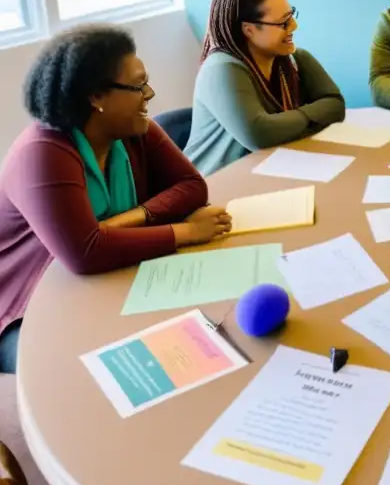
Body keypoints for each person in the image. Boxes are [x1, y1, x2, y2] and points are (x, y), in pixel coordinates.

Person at [0, 26, 229, 374]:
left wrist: (123, 222)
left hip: (104, 277)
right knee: (78, 374)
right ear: (96, 97)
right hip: (25, 308)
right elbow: (84, 253)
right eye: (138, 86)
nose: (149, 93)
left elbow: (191, 186)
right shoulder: (43, 152)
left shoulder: (135, 129)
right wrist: (186, 232)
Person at [185, 0, 346, 175]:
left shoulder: (295, 59)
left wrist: (288, 123)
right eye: (283, 23)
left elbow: (336, 105)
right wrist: (313, 115)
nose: (294, 26)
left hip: (271, 174)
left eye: (292, 15)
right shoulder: (222, 69)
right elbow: (259, 134)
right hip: (213, 187)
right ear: (249, 30)